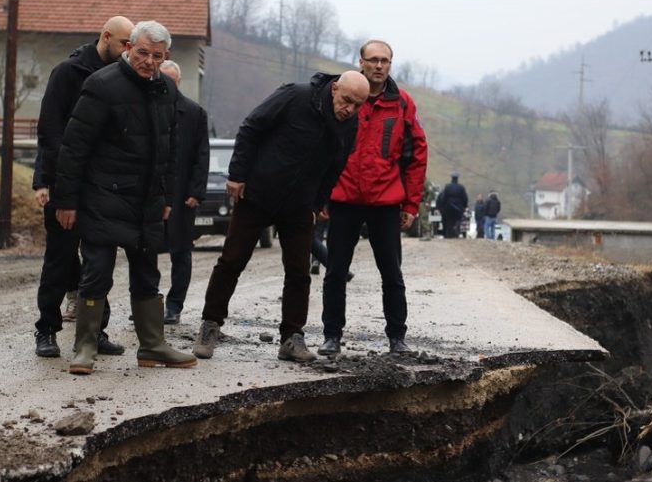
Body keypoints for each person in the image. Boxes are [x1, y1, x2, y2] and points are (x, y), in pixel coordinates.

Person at [191, 70, 370, 363]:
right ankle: (210, 325)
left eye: (358, 105)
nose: (350, 109)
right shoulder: (295, 96)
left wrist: (317, 203)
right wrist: (237, 174)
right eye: (347, 100)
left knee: (299, 272)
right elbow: (251, 127)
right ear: (335, 88)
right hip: (257, 194)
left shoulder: (349, 124)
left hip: (299, 205)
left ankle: (291, 337)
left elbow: (336, 165)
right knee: (231, 261)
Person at [54, 20, 197, 375]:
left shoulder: (166, 89)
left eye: (157, 56)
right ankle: (85, 346)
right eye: (143, 53)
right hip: (103, 196)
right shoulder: (101, 85)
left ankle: (152, 345)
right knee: (96, 273)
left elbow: (171, 148)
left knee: (148, 275)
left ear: (166, 56)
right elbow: (74, 147)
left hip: (146, 201)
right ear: (129, 48)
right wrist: (66, 200)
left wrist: (166, 196)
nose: (149, 61)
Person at [31, 16, 133, 358]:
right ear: (106, 37)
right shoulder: (67, 73)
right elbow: (49, 132)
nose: (128, 50)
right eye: (124, 43)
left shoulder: (122, 77)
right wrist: (56, 183)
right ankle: (47, 329)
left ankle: (96, 331)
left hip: (103, 186)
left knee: (98, 263)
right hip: (66, 183)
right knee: (59, 260)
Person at [319, 40, 428, 356]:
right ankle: (331, 336)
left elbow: (417, 154)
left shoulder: (402, 103)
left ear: (390, 65)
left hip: (385, 202)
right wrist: (320, 195)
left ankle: (397, 338)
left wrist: (411, 203)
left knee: (392, 273)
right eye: (373, 60)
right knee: (335, 272)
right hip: (344, 199)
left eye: (385, 61)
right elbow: (321, 148)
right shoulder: (345, 96)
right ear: (361, 62)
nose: (379, 66)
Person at [159, 60, 210, 325]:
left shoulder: (194, 112)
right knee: (144, 252)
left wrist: (196, 192)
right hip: (152, 193)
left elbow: (202, 155)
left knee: (180, 252)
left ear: (178, 82)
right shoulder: (148, 106)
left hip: (182, 196)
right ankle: (147, 303)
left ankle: (174, 306)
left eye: (171, 80)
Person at [437, 172, 468, 239]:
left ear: (451, 178)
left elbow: (444, 197)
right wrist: (465, 206)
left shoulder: (447, 187)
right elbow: (465, 198)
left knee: (449, 221)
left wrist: (442, 207)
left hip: (449, 207)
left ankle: (449, 234)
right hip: (459, 207)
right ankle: (456, 230)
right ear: (457, 179)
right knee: (458, 219)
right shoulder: (461, 187)